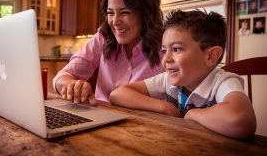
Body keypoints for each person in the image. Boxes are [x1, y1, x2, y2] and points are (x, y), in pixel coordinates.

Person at [109, 10, 257, 139]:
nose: (166, 59)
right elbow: (118, 94)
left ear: (211, 56)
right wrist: (164, 107)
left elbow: (241, 121)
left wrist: (192, 114)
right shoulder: (168, 80)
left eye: (177, 49)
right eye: (165, 50)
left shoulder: (223, 82)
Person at [53, 0, 165, 104]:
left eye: (125, 12)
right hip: (102, 117)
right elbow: (61, 77)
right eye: (110, 13)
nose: (115, 21)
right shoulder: (103, 37)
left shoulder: (166, 47)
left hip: (148, 122)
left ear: (146, 13)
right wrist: (72, 85)